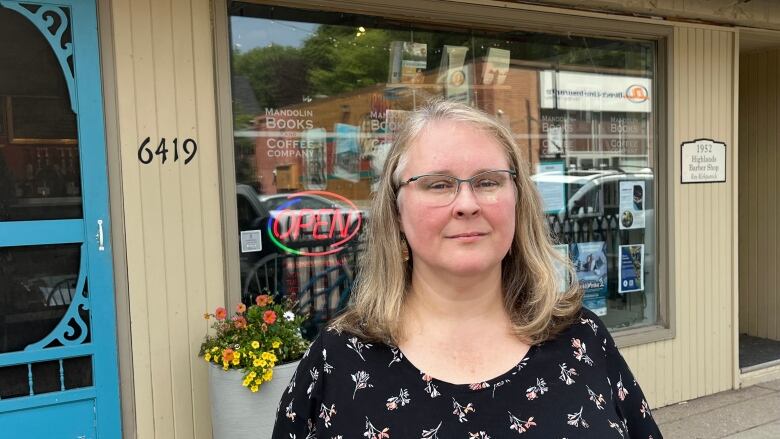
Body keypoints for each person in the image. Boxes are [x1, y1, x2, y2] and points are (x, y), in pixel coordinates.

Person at [272, 101, 662, 438]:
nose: (466, 204)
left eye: (488, 181)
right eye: (438, 185)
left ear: (517, 201)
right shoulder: (338, 359)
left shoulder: (582, 339)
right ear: (396, 210)